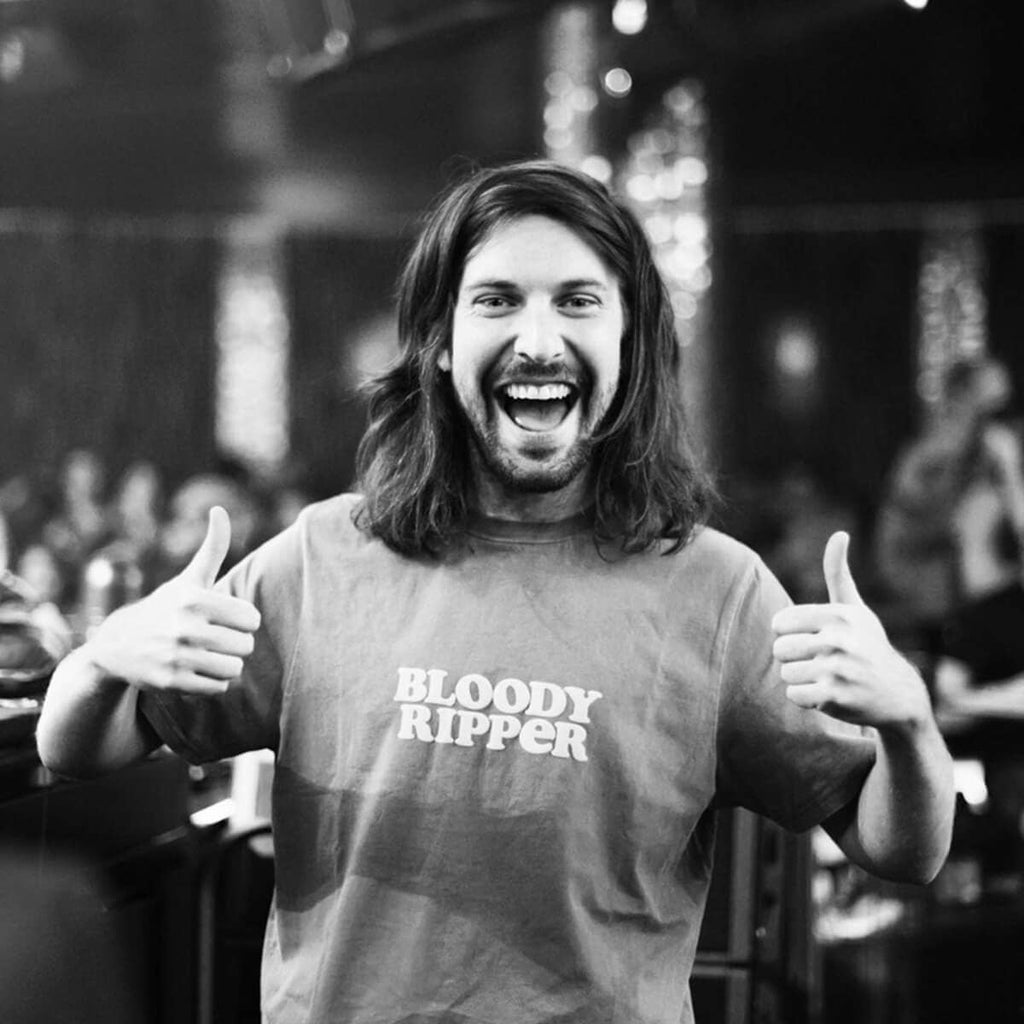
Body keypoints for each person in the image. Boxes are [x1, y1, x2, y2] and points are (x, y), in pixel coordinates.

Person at [37, 160, 954, 1024]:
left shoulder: (718, 590)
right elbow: (75, 750)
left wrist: (909, 727)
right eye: (498, 300)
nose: (539, 340)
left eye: (579, 301)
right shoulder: (322, 557)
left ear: (629, 342)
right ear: (441, 342)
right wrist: (101, 661)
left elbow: (904, 851)